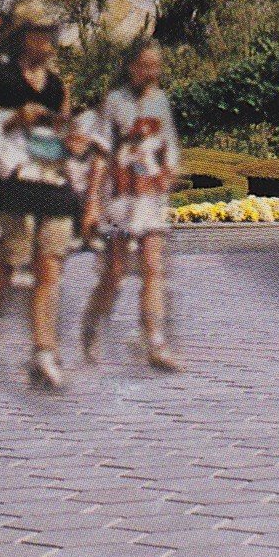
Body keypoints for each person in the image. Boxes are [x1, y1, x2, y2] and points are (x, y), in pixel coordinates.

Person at [0, 0, 78, 388]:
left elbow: (64, 134)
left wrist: (72, 143)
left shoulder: (57, 86)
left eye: (53, 33)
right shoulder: (0, 79)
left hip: (51, 182)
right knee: (4, 271)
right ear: (26, 37)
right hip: (13, 183)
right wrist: (13, 119)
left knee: (49, 268)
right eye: (44, 33)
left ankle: (44, 353)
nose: (51, 41)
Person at [79, 38, 182, 371]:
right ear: (131, 66)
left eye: (155, 66)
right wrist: (92, 202)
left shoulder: (161, 102)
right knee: (115, 271)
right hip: (120, 201)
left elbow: (169, 148)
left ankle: (155, 342)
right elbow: (100, 153)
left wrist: (169, 173)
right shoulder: (114, 102)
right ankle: (92, 322)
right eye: (144, 66)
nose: (150, 72)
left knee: (153, 268)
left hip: (150, 198)